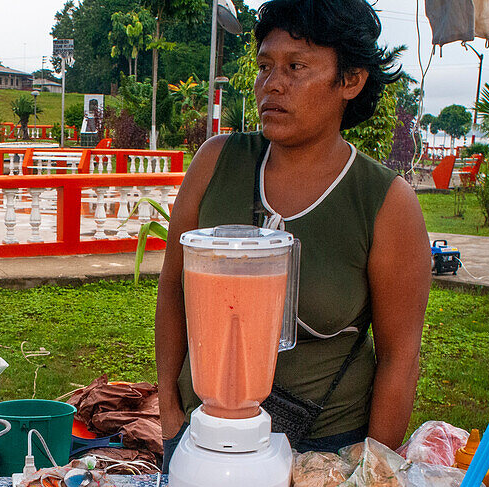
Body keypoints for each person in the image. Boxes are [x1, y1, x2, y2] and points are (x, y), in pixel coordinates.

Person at [157, 0, 430, 458]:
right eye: (265, 66)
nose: (271, 85)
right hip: (202, 433)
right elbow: (173, 288)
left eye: (295, 66)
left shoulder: (384, 202)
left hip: (324, 450)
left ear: (351, 80)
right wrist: (169, 410)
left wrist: (371, 470)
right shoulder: (215, 163)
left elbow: (400, 358)